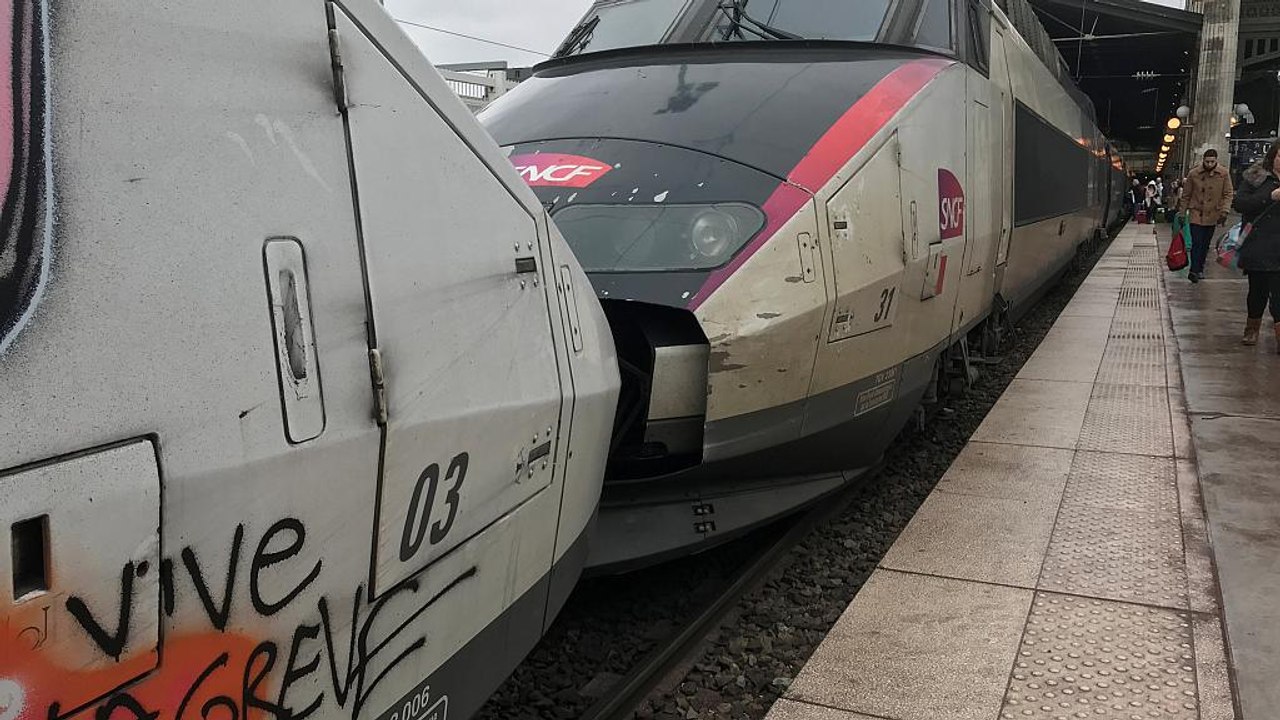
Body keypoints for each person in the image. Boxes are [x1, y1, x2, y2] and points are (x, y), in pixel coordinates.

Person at [1230, 141, 1280, 350]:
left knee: (1279, 295)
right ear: (1272, 157)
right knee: (1258, 291)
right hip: (1259, 244)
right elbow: (1240, 204)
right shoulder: (1256, 177)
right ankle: (1252, 328)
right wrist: (1269, 197)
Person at [1178, 149, 1233, 282]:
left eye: (1212, 162)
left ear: (1216, 160)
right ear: (1203, 160)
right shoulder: (1194, 174)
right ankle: (1194, 270)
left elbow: (1228, 193)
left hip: (1213, 214)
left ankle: (1200, 268)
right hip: (1196, 212)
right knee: (1196, 242)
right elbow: (1186, 195)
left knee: (1205, 243)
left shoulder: (1223, 174)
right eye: (1207, 161)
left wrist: (1225, 211)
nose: (1209, 164)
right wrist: (1182, 212)